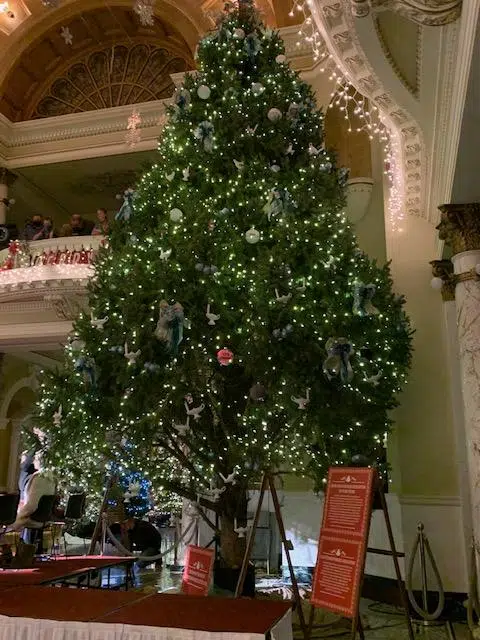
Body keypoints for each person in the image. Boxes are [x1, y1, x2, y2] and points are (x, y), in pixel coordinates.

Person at [11, 451, 56, 549]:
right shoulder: (51, 477)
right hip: (44, 518)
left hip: (34, 518)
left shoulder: (39, 478)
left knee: (7, 523)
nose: (33, 461)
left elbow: (31, 506)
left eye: (35, 458)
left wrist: (17, 517)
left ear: (41, 461)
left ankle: (21, 552)